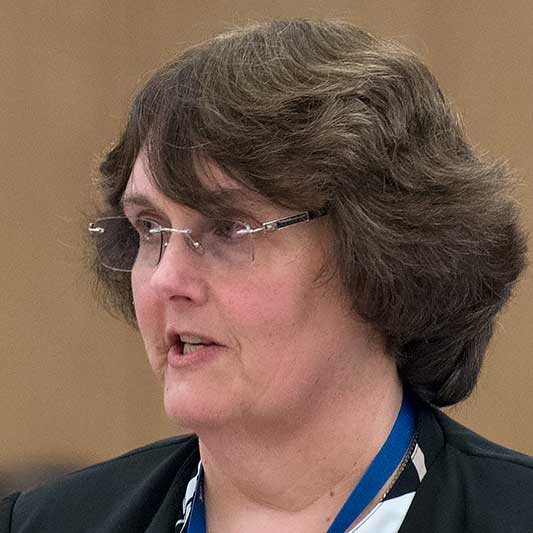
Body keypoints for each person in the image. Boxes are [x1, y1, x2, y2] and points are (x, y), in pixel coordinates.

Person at [2, 18, 532, 533]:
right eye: (150, 228)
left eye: (229, 229)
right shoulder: (41, 523)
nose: (165, 279)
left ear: (382, 255)